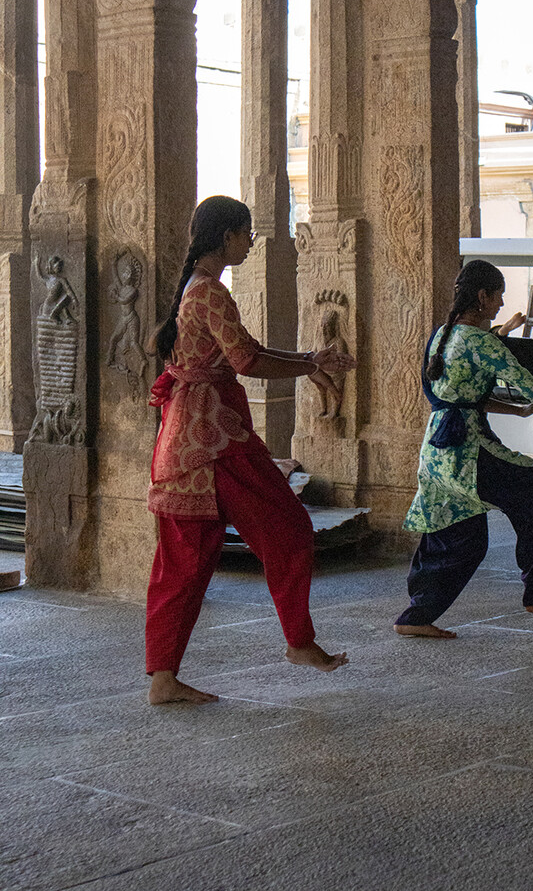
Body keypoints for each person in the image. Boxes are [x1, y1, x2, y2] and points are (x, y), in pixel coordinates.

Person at [145, 196, 357, 704]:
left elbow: (246, 353)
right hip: (215, 442)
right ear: (227, 237)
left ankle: (163, 678)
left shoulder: (194, 290)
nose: (252, 241)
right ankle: (299, 642)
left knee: (183, 564)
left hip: (186, 442)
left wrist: (309, 359)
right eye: (248, 233)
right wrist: (309, 365)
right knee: (288, 530)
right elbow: (246, 360)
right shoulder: (211, 294)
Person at [394, 259, 533, 639]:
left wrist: (519, 410)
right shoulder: (476, 340)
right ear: (482, 296)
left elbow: (460, 397)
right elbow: (522, 378)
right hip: (466, 451)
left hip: (438, 451)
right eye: (497, 296)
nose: (499, 304)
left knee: (456, 532)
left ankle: (415, 617)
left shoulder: (441, 335)